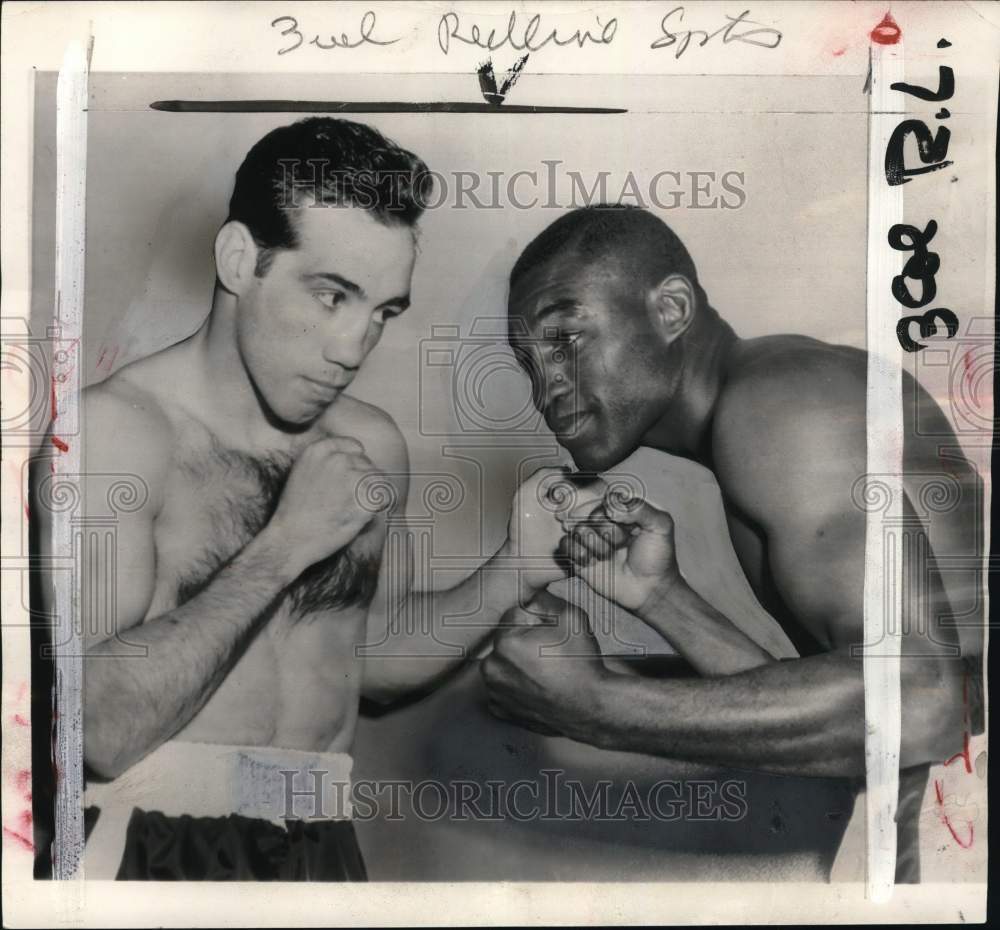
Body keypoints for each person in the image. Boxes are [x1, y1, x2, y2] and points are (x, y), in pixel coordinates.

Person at [32, 117, 569, 880]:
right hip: (146, 840)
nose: (352, 349)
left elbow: (368, 661)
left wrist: (518, 566)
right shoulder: (116, 437)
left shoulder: (369, 446)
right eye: (331, 295)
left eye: (381, 311)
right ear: (239, 259)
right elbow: (99, 730)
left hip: (319, 837)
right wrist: (286, 543)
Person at [482, 203, 984, 881]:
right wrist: (665, 600)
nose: (544, 388)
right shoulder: (764, 401)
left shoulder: (777, 406)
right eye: (527, 362)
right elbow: (867, 717)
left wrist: (596, 705)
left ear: (670, 310)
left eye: (565, 339)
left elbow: (922, 703)